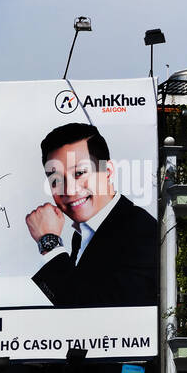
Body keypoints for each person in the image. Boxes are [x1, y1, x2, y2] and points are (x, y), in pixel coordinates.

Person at [24, 122, 158, 308]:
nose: (70, 190)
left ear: (108, 171)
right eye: (55, 180)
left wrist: (49, 243)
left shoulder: (140, 231)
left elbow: (90, 312)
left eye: (79, 173)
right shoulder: (83, 235)